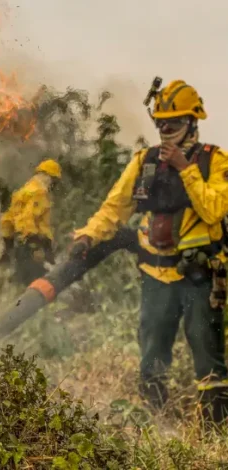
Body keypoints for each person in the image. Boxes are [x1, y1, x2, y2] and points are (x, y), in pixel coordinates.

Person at [69, 79, 228, 422]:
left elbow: (215, 210)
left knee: (207, 356)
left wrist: (186, 169)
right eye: (161, 123)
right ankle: (157, 424)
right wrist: (88, 236)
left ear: (193, 122)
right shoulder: (145, 161)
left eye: (174, 122)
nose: (166, 129)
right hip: (156, 275)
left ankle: (216, 432)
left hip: (199, 277)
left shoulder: (214, 161)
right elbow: (114, 208)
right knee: (153, 355)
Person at [0, 159, 62, 286]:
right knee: (41, 284)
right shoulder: (39, 192)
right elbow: (28, 219)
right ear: (47, 176)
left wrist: (8, 245)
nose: (53, 185)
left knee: (22, 284)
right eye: (53, 180)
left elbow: (7, 220)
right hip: (33, 245)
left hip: (20, 245)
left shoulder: (22, 191)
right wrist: (36, 246)